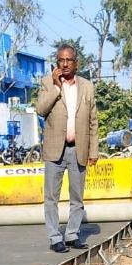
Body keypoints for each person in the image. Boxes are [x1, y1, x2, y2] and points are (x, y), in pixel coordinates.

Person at [35, 44, 99, 253]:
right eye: (60, 60)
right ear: (56, 63)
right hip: (55, 149)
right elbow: (40, 109)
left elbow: (93, 121)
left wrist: (93, 151)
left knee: (77, 197)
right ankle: (55, 238)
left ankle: (72, 235)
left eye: (68, 60)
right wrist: (56, 87)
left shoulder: (87, 86)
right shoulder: (47, 83)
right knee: (51, 198)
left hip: (78, 149)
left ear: (75, 63)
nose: (64, 64)